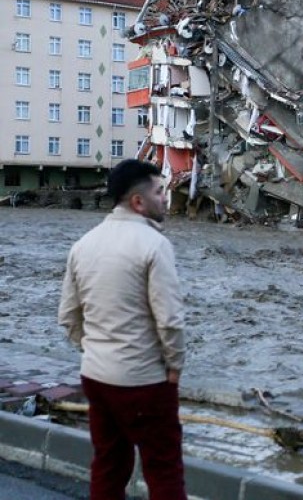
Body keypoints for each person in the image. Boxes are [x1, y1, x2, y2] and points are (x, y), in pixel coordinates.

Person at [59, 159, 187, 500]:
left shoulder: (83, 244)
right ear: (138, 202)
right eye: (160, 192)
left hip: (96, 377)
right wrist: (174, 366)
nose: (165, 198)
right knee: (163, 468)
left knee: (108, 464)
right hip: (144, 381)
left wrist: (96, 350)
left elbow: (69, 316)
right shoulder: (154, 245)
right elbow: (170, 319)